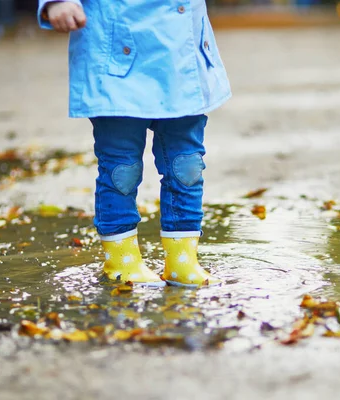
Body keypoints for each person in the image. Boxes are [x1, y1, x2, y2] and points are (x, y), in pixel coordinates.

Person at [37, 0, 231, 287]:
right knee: (122, 170)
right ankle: (121, 261)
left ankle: (183, 261)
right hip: (117, 50)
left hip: (181, 58)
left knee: (187, 166)